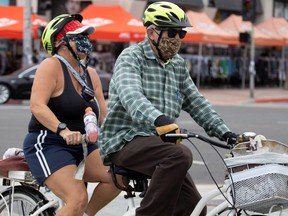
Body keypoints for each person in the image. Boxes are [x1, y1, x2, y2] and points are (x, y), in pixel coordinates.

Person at [98, 2, 238, 216]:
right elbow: (131, 95)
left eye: (180, 34)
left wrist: (225, 132)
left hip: (159, 145)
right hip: (125, 140)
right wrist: (159, 119)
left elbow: (197, 102)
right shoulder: (131, 58)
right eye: (171, 32)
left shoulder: (177, 65)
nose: (176, 39)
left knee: (194, 211)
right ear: (152, 32)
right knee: (179, 155)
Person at [23, 14, 120, 216]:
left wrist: (126, 132)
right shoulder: (51, 66)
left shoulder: (90, 74)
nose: (86, 40)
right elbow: (37, 106)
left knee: (118, 177)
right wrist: (63, 130)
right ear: (61, 43)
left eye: (86, 35)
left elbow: (103, 115)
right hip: (49, 142)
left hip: (84, 144)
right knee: (77, 198)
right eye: (79, 36)